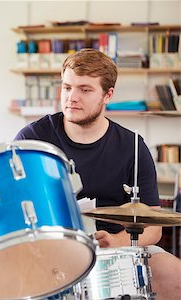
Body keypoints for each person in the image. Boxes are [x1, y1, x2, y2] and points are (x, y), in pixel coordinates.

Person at [14, 48, 181, 300]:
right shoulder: (32, 138)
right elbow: (13, 207)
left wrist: (116, 241)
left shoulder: (133, 147)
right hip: (46, 251)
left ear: (108, 95)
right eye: (67, 87)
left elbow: (153, 227)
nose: (72, 97)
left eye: (85, 89)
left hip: (117, 252)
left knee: (175, 275)